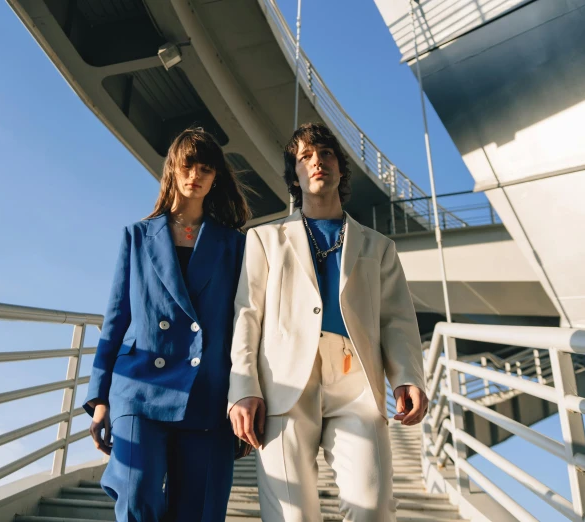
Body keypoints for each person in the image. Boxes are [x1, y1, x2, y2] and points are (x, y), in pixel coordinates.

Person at [228, 122, 428, 522]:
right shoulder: (264, 240)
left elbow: (397, 319)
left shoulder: (379, 247)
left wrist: (408, 376)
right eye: (305, 156)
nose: (317, 161)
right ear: (295, 176)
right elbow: (248, 315)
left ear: (340, 169)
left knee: (373, 509)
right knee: (290, 516)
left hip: (357, 382)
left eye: (326, 154)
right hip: (284, 384)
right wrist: (243, 387)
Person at [85, 127, 251, 522]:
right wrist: (99, 397)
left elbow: (247, 324)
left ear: (215, 178)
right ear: (173, 170)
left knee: (199, 510)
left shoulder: (235, 245)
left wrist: (247, 394)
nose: (195, 174)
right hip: (140, 389)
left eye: (206, 168)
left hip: (209, 392)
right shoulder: (138, 237)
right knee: (136, 494)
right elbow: (116, 320)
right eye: (188, 164)